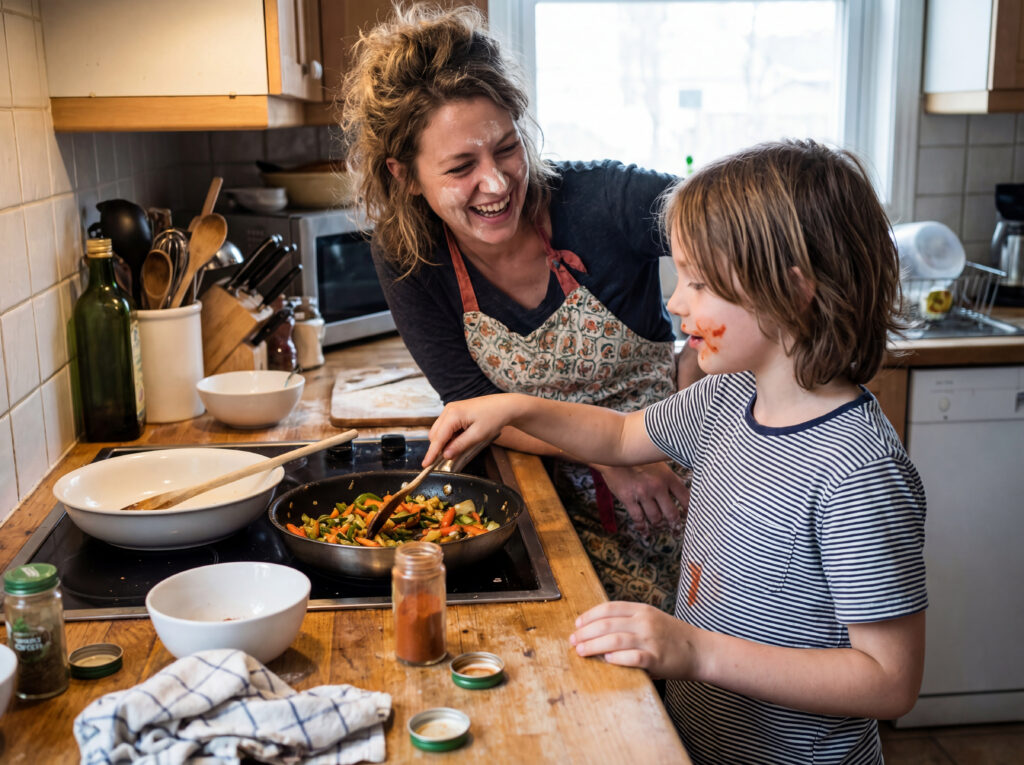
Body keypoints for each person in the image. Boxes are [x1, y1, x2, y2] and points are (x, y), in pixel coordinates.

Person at [423, 139, 928, 763]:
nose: (675, 301)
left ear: (791, 291)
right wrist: (511, 407)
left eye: (700, 282)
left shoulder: (857, 470)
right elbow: (616, 436)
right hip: (702, 741)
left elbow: (889, 680)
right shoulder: (725, 402)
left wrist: (696, 651)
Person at [340, 2, 700, 611]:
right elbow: (476, 406)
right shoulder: (407, 256)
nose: (499, 183)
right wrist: (606, 456)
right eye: (461, 167)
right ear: (405, 176)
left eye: (506, 149)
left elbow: (741, 239)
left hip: (687, 491)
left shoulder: (603, 200)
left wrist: (699, 363)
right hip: (557, 515)